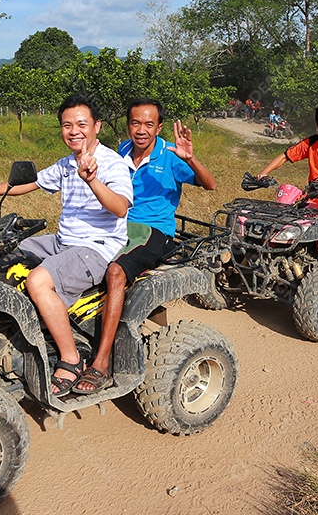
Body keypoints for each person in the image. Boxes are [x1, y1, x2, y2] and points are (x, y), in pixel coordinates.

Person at [0, 94, 133, 397]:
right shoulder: (66, 164)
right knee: (1, 254)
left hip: (97, 248)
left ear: (97, 126)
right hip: (63, 242)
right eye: (66, 125)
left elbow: (120, 208)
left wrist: (92, 181)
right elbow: (32, 183)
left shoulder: (112, 163)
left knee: (37, 280)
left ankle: (71, 359)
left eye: (81, 124)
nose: (74, 131)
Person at [73, 99, 216, 395]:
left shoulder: (170, 155)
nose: (141, 130)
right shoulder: (122, 151)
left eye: (149, 124)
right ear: (128, 125)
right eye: (136, 123)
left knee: (115, 272)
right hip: (118, 227)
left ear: (159, 127)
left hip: (155, 232)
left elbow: (210, 184)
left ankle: (101, 362)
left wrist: (190, 158)